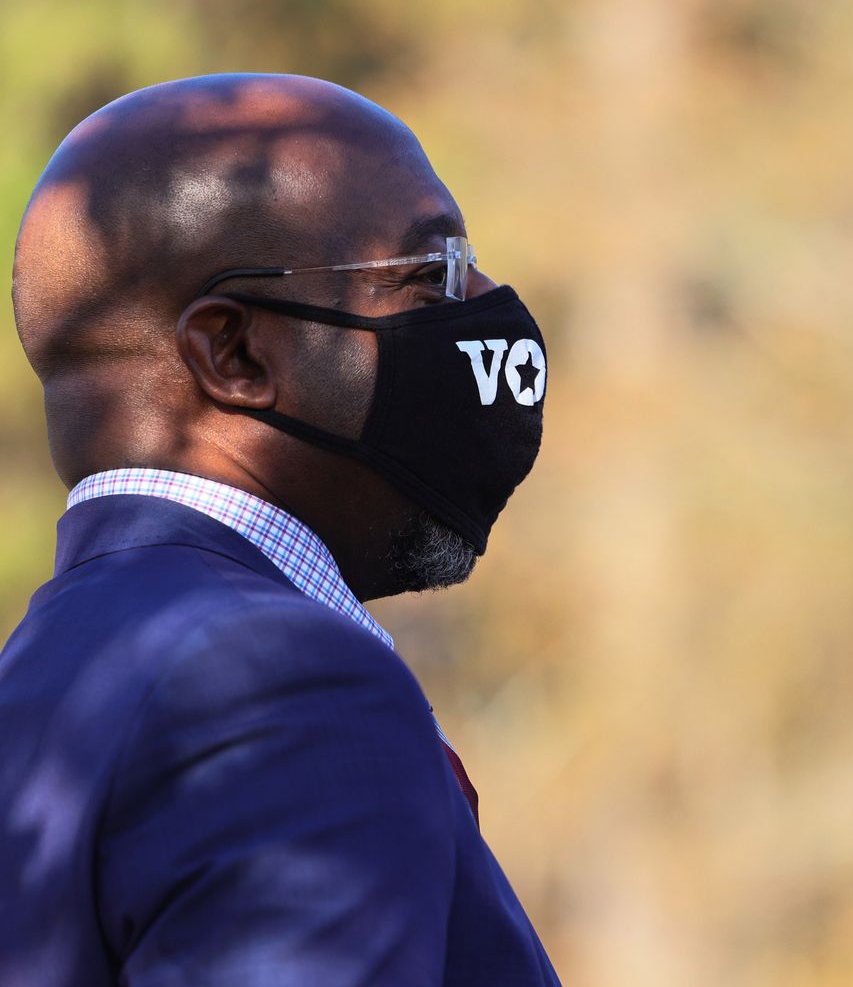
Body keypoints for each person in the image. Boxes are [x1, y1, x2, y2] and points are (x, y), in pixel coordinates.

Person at [0, 74, 559, 984]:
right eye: (434, 274)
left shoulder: (43, 677)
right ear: (237, 352)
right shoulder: (279, 684)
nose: (488, 305)